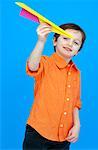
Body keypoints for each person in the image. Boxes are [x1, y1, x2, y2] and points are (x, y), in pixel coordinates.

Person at [23, 22, 86, 150]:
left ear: (78, 51)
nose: (70, 44)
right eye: (65, 38)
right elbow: (32, 66)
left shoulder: (76, 73)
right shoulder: (45, 63)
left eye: (76, 43)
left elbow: (76, 102)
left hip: (63, 137)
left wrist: (77, 125)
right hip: (38, 133)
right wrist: (41, 41)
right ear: (55, 41)